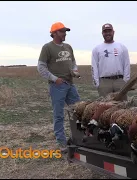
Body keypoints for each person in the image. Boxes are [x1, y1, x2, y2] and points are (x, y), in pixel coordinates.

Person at [37, 22, 81, 153]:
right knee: (59, 115)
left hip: (70, 84)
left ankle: (78, 138)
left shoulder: (68, 47)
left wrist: (75, 71)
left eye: (65, 31)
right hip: (57, 86)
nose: (65, 33)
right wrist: (55, 79)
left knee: (77, 111)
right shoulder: (47, 48)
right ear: (54, 33)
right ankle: (62, 143)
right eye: (62, 31)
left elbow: (73, 62)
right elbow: (41, 67)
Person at [91, 23, 131, 100]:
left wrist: (125, 81)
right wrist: (97, 84)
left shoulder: (121, 47)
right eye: (105, 31)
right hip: (104, 82)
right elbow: (94, 67)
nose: (107, 33)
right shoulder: (97, 49)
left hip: (119, 80)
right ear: (102, 33)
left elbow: (126, 64)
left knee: (122, 106)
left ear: (113, 32)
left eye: (109, 31)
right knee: (105, 107)